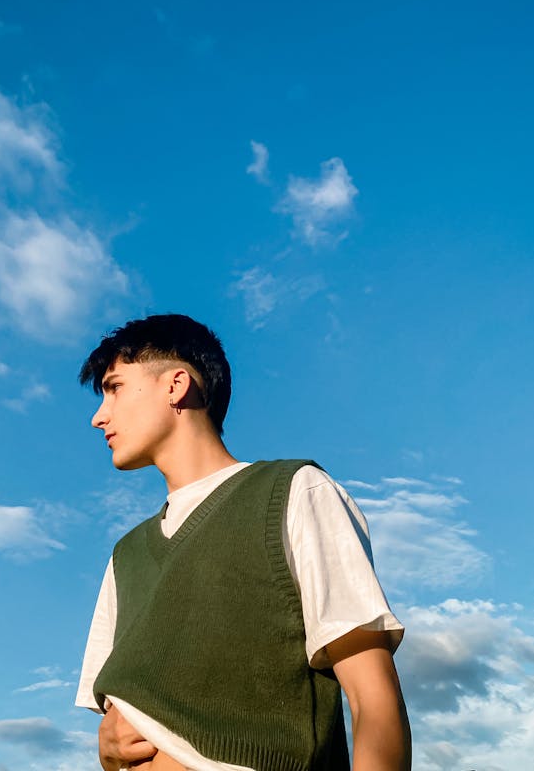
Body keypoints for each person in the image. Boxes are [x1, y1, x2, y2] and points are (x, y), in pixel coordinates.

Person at [75, 313, 410, 771]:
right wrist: (109, 751)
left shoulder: (293, 491)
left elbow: (373, 699)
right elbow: (117, 727)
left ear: (175, 386)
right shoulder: (125, 556)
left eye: (113, 387)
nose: (99, 417)